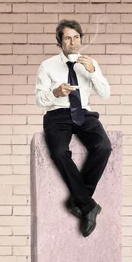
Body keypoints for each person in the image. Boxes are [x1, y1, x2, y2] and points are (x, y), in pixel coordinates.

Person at [35, 19, 111, 237]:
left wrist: (94, 71)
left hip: (84, 113)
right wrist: (55, 93)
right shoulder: (47, 66)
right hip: (57, 115)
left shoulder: (90, 63)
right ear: (60, 41)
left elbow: (105, 94)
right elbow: (40, 100)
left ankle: (80, 199)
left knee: (104, 147)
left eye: (76, 37)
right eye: (68, 38)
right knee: (59, 152)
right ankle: (88, 206)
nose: (73, 42)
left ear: (81, 39)